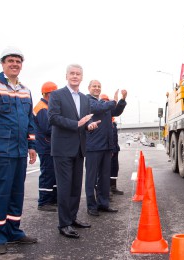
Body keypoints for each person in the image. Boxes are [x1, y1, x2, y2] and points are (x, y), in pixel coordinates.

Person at [0, 46, 38, 255]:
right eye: (10, 60)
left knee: (16, 194)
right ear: (2, 63)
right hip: (0, 152)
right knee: (0, 195)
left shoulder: (25, 90)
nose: (14, 64)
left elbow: (30, 120)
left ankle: (14, 231)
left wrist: (31, 146)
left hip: (20, 152)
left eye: (18, 61)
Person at [48, 64, 99, 239]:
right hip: (62, 149)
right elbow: (53, 118)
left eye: (78, 74)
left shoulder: (85, 99)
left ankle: (73, 218)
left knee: (76, 187)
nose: (75, 76)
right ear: (66, 75)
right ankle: (64, 224)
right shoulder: (56, 95)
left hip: (79, 148)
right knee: (64, 187)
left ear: (82, 77)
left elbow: (83, 123)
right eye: (72, 73)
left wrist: (88, 126)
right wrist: (76, 124)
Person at [85, 80, 127, 216]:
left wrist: (121, 100)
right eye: (94, 86)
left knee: (104, 177)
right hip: (93, 146)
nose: (96, 88)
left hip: (106, 147)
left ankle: (103, 203)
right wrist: (112, 102)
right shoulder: (86, 101)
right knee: (91, 178)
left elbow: (116, 111)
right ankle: (91, 206)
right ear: (89, 88)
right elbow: (97, 108)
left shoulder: (104, 104)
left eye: (98, 86)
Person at [33, 81, 58, 212]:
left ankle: (53, 199)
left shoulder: (46, 106)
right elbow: (47, 128)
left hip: (49, 145)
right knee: (47, 173)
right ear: (49, 94)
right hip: (45, 146)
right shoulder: (42, 107)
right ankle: (44, 202)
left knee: (53, 173)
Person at [110, 118, 124, 195]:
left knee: (115, 169)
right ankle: (107, 190)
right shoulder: (105, 119)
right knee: (108, 170)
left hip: (115, 149)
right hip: (110, 150)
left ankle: (113, 187)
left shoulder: (113, 122)